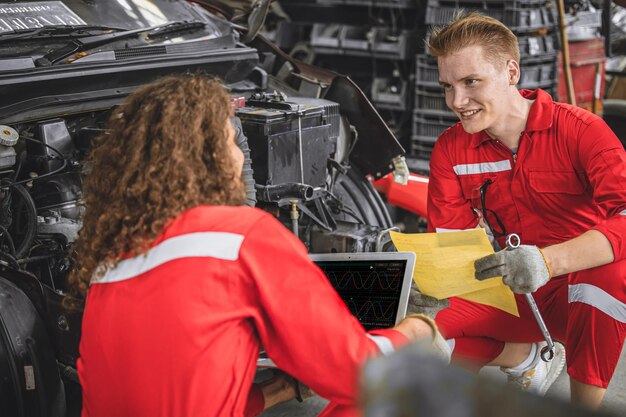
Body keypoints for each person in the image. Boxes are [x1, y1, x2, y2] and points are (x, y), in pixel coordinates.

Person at [68, 74, 450, 417]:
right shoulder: (242, 237)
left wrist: (281, 390)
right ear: (210, 157)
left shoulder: (110, 263)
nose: (239, 155)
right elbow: (356, 373)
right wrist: (417, 332)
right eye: (233, 140)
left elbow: (183, 399)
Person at [425, 13, 626, 410]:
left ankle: (584, 405)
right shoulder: (450, 150)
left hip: (575, 294)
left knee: (606, 277)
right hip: (511, 293)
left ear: (511, 71)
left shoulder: (581, 131)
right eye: (447, 86)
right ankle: (525, 359)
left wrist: (548, 261)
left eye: (470, 82)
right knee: (424, 332)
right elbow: (450, 242)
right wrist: (430, 284)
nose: (456, 102)